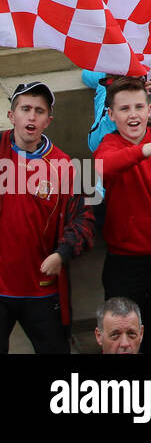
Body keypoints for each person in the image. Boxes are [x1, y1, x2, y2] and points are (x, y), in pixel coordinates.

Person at [92, 77, 151, 355]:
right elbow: (102, 169)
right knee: (122, 340)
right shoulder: (108, 146)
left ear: (150, 111)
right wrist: (144, 150)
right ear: (110, 115)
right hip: (125, 263)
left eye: (138, 107)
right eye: (123, 109)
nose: (132, 115)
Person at [0, 82, 93, 354]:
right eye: (25, 108)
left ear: (48, 120)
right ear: (11, 115)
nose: (31, 116)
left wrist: (61, 254)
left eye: (39, 111)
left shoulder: (67, 166)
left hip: (43, 290)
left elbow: (85, 222)